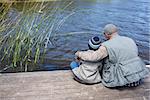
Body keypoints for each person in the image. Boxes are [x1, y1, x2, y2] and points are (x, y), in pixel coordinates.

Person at [74, 24, 149, 87]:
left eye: (104, 34)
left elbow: (93, 57)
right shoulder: (130, 40)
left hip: (122, 82)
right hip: (137, 79)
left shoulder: (106, 45)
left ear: (107, 34)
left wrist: (79, 53)